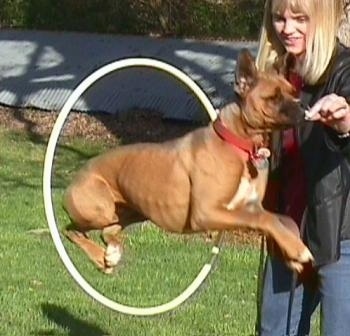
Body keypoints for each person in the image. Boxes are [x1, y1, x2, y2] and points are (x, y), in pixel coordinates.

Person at [255, 0, 350, 335]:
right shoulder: (275, 74)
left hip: (341, 238)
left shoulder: (343, 69)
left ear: (322, 19)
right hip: (287, 230)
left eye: (300, 18)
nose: (288, 28)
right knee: (273, 330)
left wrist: (343, 120)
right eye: (280, 18)